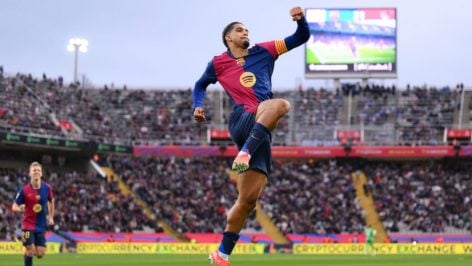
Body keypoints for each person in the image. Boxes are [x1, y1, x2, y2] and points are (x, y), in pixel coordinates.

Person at [193, 6, 309, 266]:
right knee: (281, 105)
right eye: (239, 29)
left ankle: (221, 255)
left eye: (247, 30)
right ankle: (244, 152)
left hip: (260, 127)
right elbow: (200, 84)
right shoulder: (218, 63)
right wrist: (197, 105)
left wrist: (301, 21)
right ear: (228, 38)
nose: (245, 32)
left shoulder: (265, 50)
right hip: (243, 118)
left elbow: (300, 38)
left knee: (247, 201)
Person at [12, 162, 54, 266]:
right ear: (30, 173)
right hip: (27, 225)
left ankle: (27, 250)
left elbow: (51, 201)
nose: (36, 172)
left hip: (41, 225)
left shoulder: (47, 188)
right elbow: (14, 206)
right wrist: (20, 209)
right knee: (31, 251)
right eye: (34, 170)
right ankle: (28, 250)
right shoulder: (24, 190)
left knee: (40, 254)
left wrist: (51, 217)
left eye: (38, 170)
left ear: (41, 173)